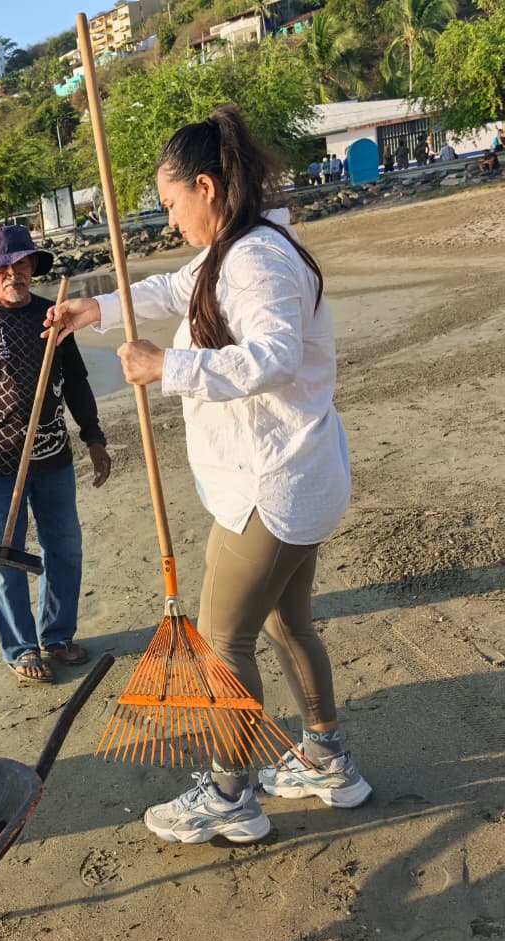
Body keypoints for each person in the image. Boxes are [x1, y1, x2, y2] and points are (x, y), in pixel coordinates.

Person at [46, 106, 371, 843]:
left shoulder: (255, 258)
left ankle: (232, 791)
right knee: (290, 623)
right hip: (299, 474)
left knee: (225, 641)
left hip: (272, 485)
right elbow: (170, 292)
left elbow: (275, 355)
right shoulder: (234, 248)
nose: (169, 220)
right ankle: (325, 759)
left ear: (206, 186)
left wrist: (170, 365)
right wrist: (91, 310)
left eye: (171, 204)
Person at [0, 226, 112, 685]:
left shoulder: (52, 319)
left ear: (33, 268)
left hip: (53, 459)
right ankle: (19, 647)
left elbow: (76, 381)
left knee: (65, 549)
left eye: (22, 265)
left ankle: (55, 636)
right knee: (3, 558)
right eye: (4, 268)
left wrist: (94, 438)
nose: (14, 274)